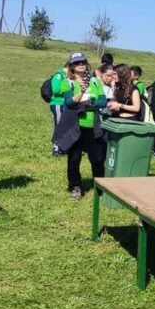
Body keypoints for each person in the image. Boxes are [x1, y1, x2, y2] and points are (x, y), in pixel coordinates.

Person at [55, 53, 107, 200]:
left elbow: (103, 101)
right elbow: (69, 103)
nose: (81, 64)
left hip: (93, 125)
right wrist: (82, 92)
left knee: (97, 159)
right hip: (75, 126)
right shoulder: (68, 82)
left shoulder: (95, 81)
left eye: (83, 62)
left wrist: (89, 104)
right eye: (77, 63)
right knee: (74, 158)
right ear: (71, 66)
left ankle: (100, 187)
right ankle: (75, 186)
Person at [48, 61, 71, 155]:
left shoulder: (69, 76)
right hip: (58, 104)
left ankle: (65, 146)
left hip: (66, 104)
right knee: (59, 124)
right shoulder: (59, 75)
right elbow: (56, 89)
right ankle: (56, 147)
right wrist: (69, 90)